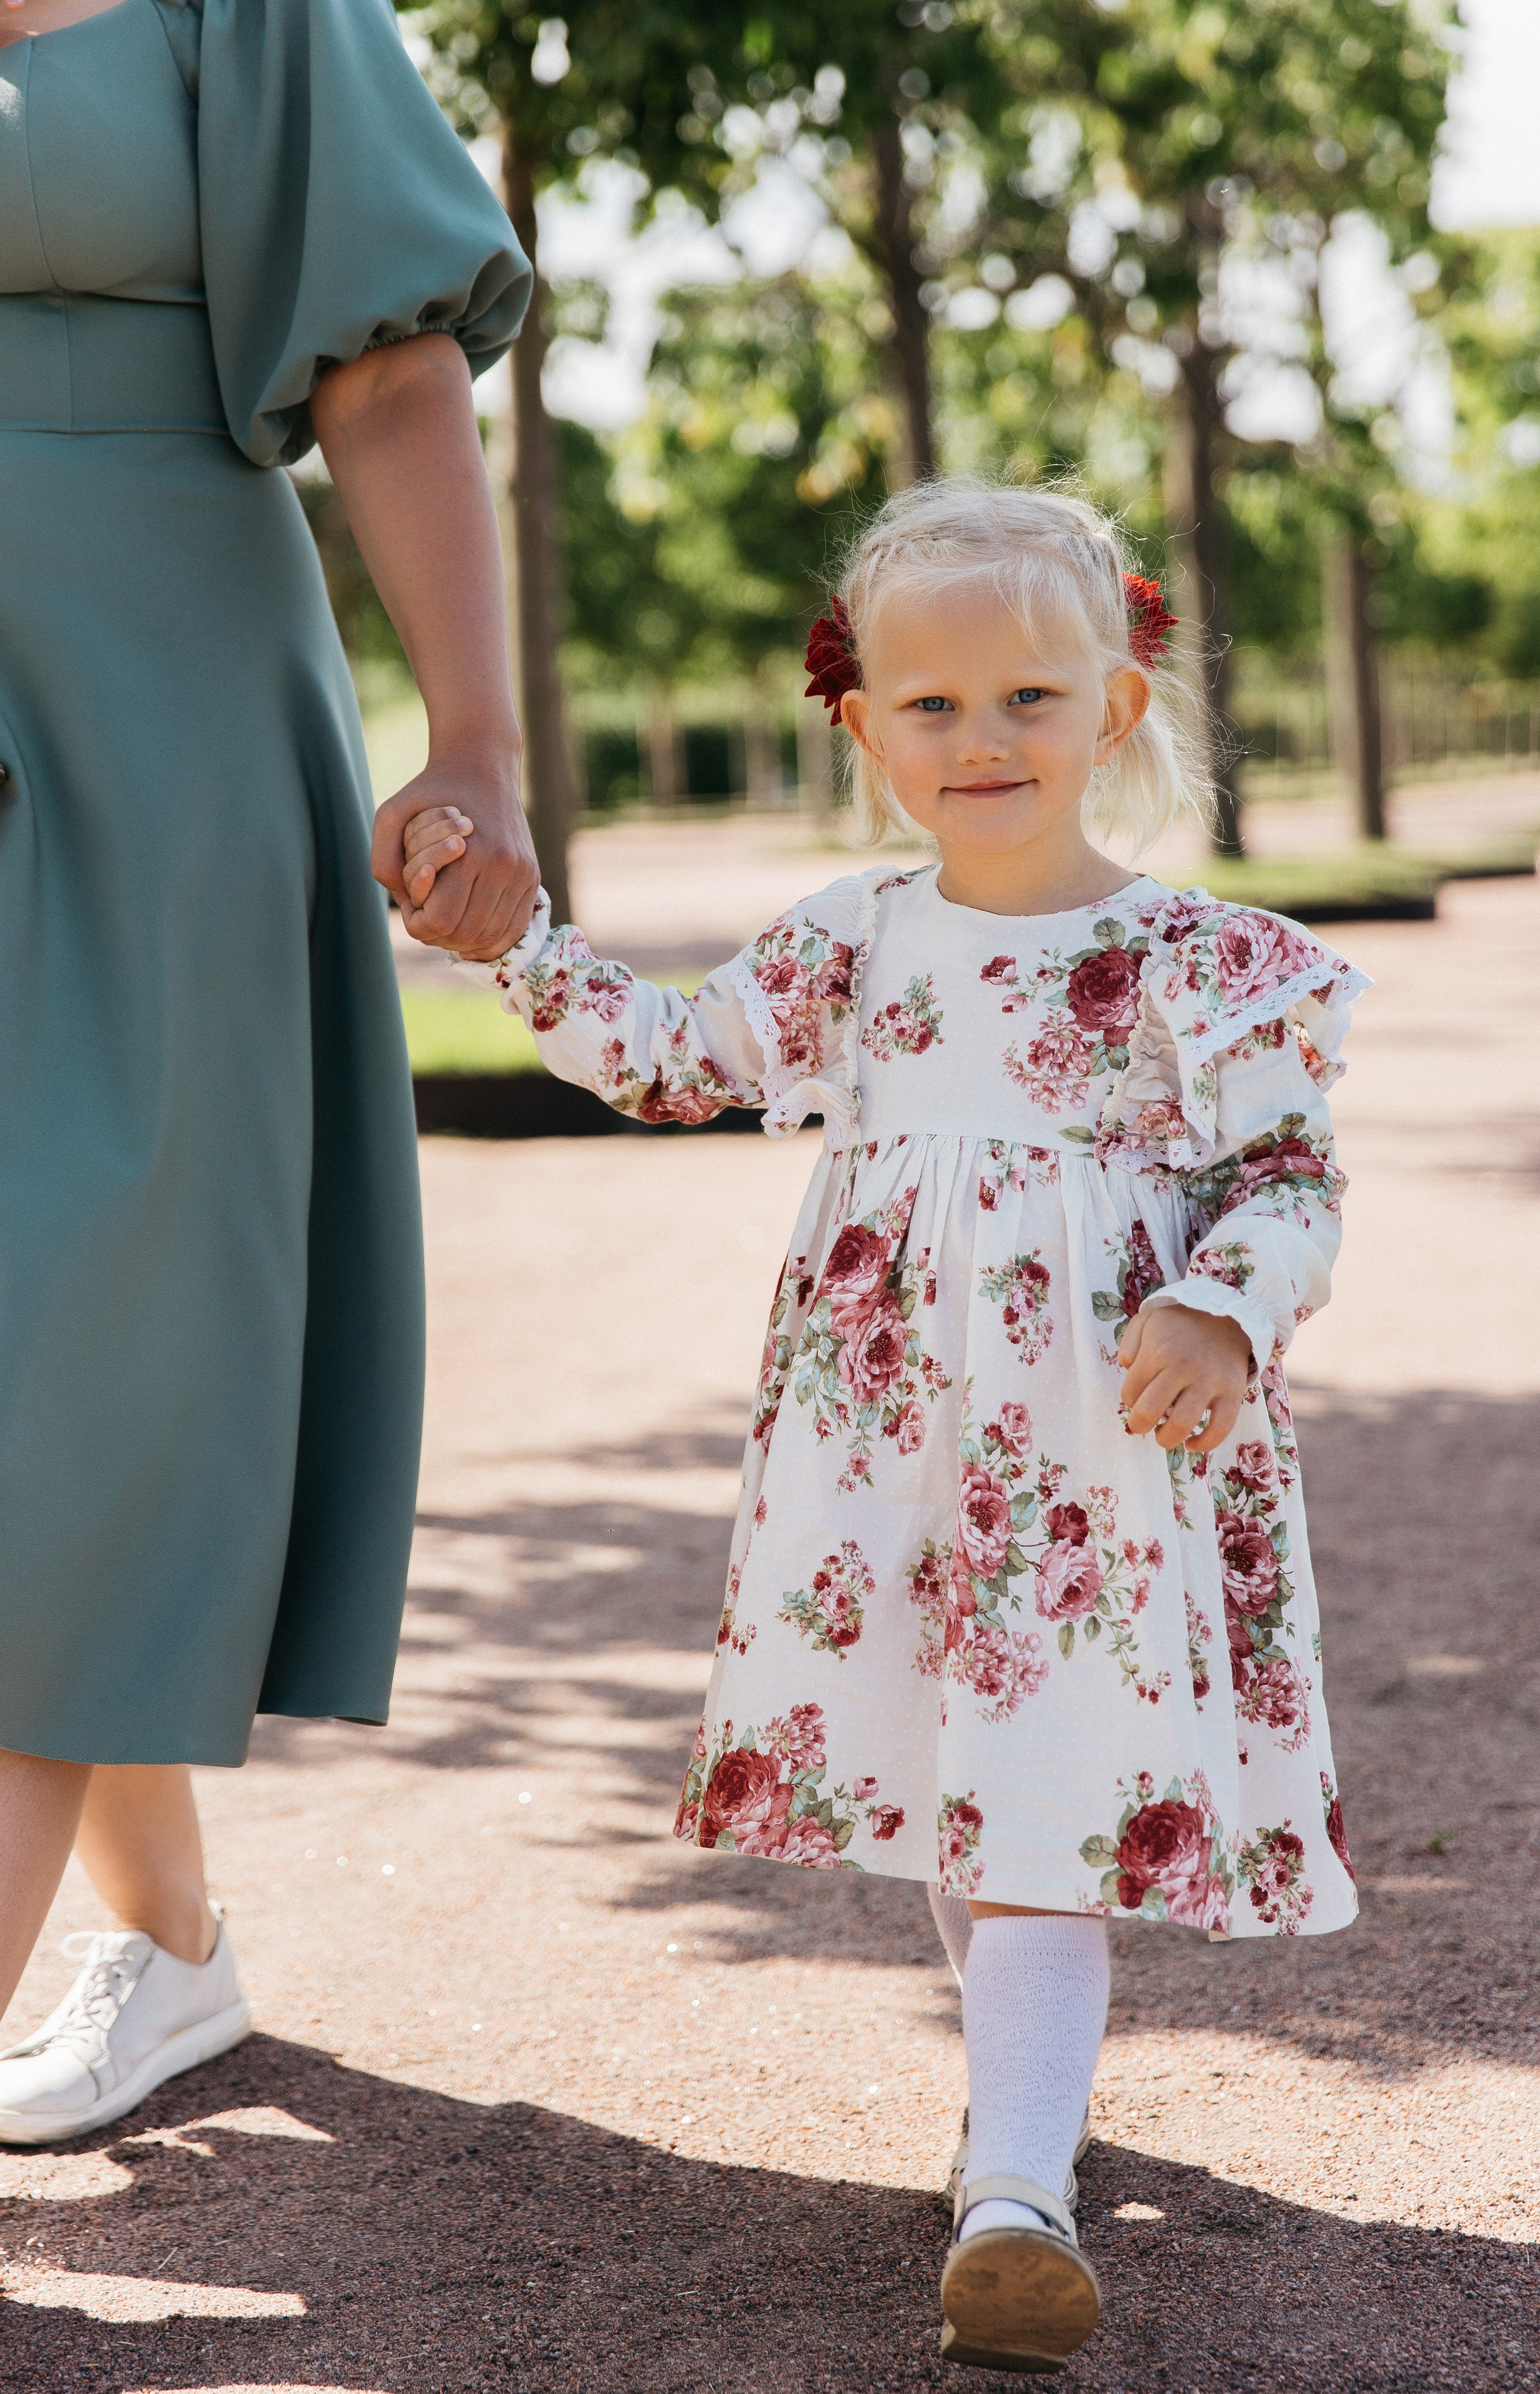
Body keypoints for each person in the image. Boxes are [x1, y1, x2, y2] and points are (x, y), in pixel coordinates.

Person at [406, 479, 1366, 2370]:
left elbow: (1294, 1178)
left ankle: (1019, 2184)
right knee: (965, 1761)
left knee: (1045, 1781)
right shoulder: (851, 941)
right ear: (862, 725)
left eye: (1029, 695)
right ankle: (1017, 2123)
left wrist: (1223, 1302)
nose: (982, 737)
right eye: (931, 705)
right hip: (896, 1446)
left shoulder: (1200, 959)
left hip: (1101, 1447)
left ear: (1113, 702)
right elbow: (679, 1061)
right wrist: (519, 947)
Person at [0, 0, 539, 2146]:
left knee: (98, 1333)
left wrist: (481, 752)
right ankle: (180, 1956)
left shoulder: (262, 11)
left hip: (168, 714)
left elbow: (393, 379)